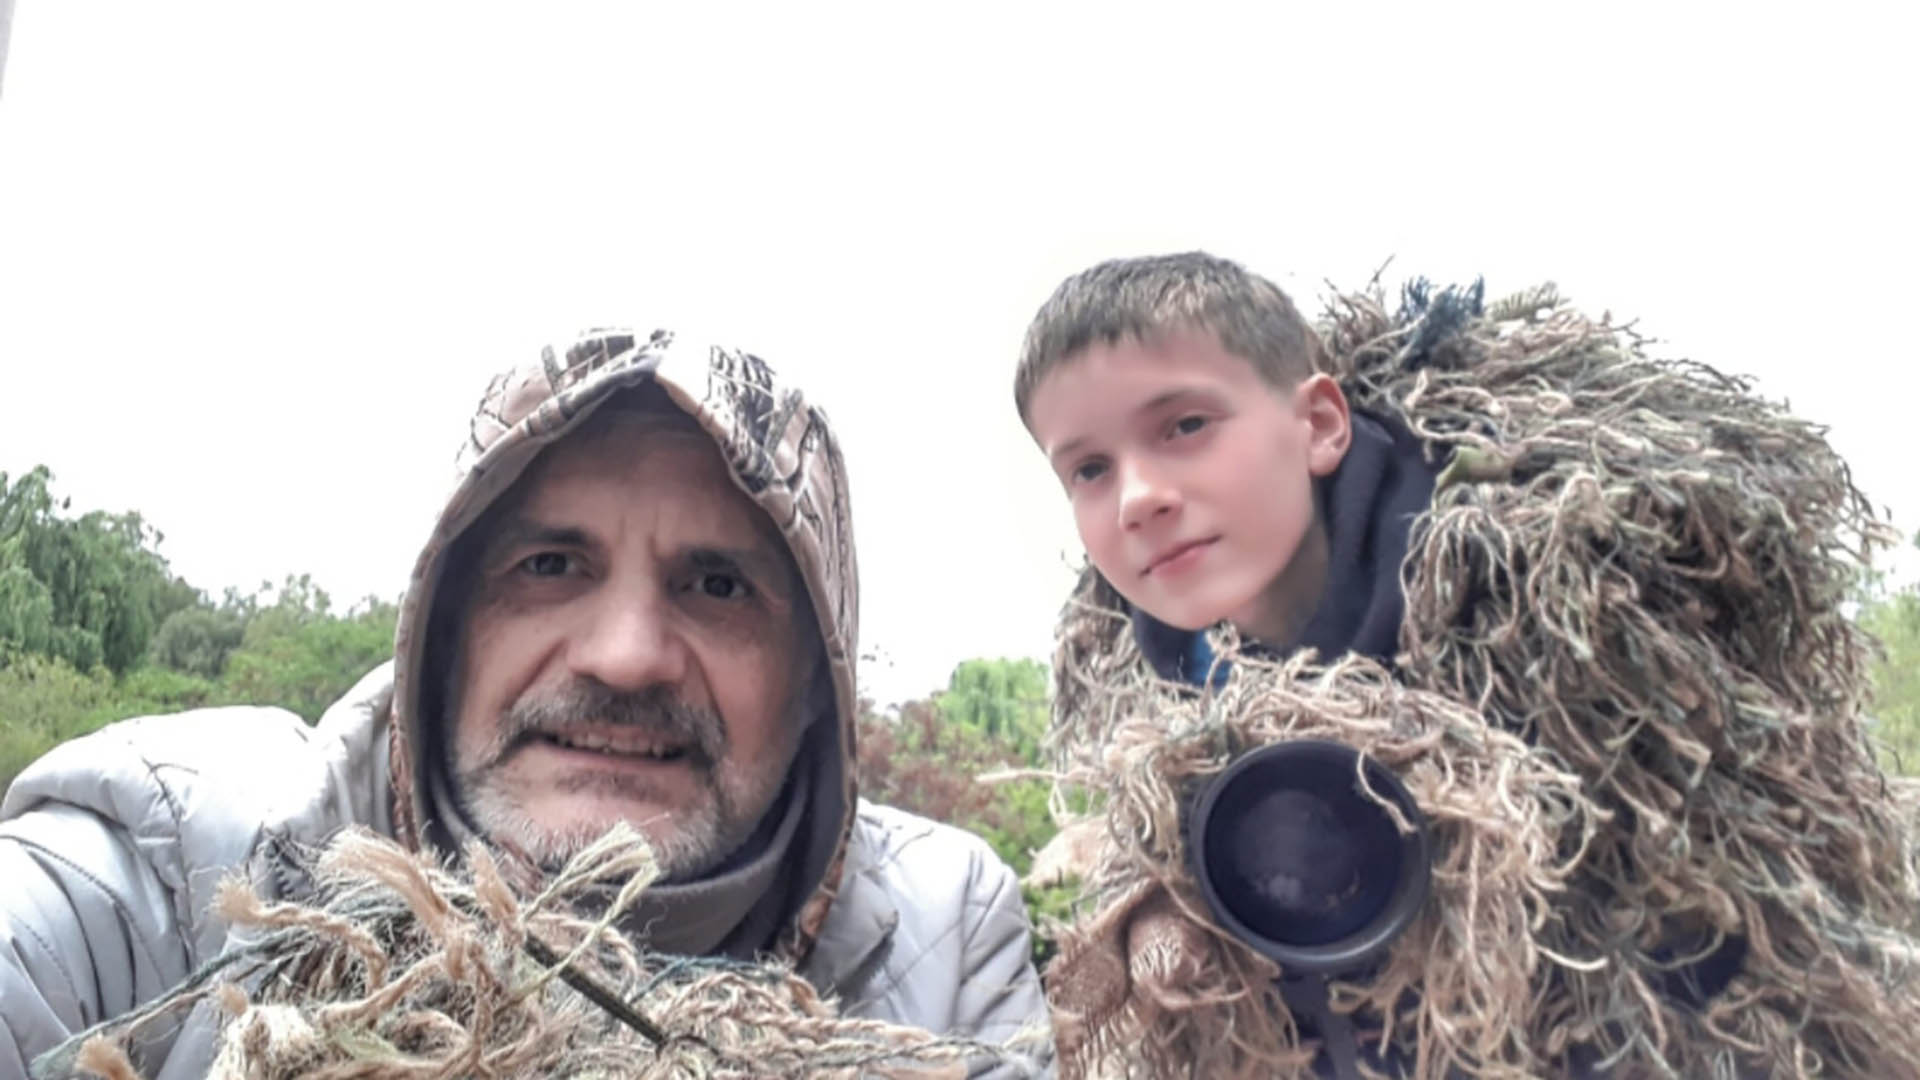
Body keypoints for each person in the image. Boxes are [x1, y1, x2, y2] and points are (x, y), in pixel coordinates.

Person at [1, 328, 1051, 1079]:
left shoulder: (945, 931)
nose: (628, 656)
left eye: (718, 585)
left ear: (819, 685)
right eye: (550, 565)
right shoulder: (163, 854)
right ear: (441, 637)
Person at [1011, 252, 1920, 1077]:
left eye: (1185, 425)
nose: (1138, 497)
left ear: (1321, 425)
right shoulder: (1162, 708)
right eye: (1089, 470)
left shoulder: (1552, 617)